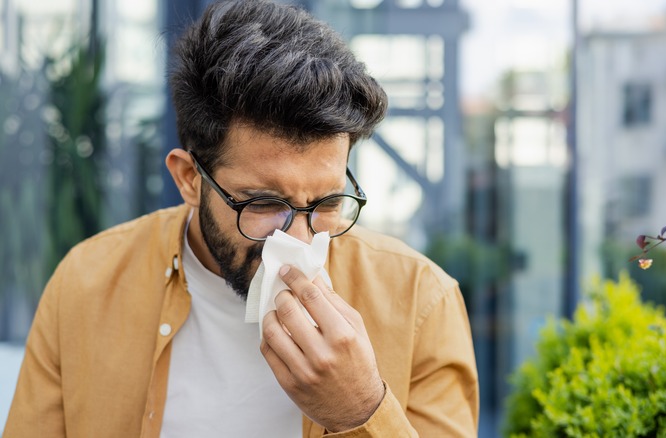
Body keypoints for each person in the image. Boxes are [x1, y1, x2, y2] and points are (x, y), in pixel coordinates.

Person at [4, 0, 479, 436]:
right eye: (264, 204)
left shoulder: (420, 301)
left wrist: (357, 412)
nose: (299, 237)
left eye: (328, 202)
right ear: (190, 178)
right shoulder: (86, 284)